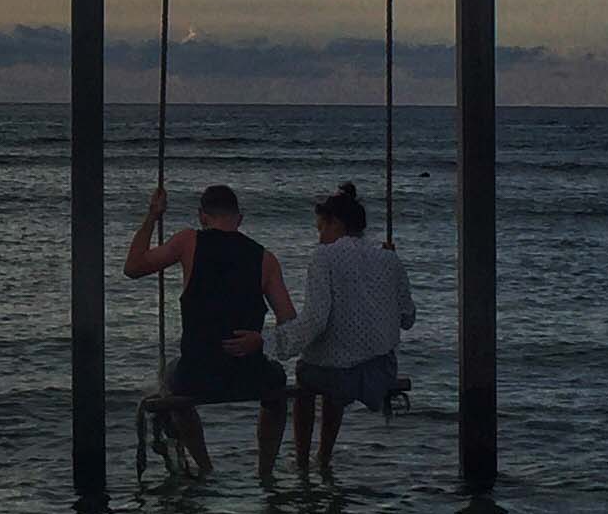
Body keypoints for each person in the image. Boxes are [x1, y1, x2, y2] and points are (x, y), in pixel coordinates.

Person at [123, 181, 296, 480]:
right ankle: (265, 471)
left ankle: (205, 466)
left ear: (202, 216)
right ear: (239, 218)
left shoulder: (188, 242)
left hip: (197, 373)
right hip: (249, 373)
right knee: (276, 389)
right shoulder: (265, 258)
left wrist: (153, 215)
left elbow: (133, 267)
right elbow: (290, 323)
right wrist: (261, 341)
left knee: (169, 381)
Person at [271, 180, 414, 474]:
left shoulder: (324, 256)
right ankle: (324, 455)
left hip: (340, 377)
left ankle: (302, 461)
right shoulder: (389, 258)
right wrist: (392, 264)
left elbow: (316, 320)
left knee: (308, 373)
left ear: (334, 224)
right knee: (331, 361)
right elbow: (407, 319)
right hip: (379, 373)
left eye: (320, 229)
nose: (320, 237)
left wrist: (274, 343)